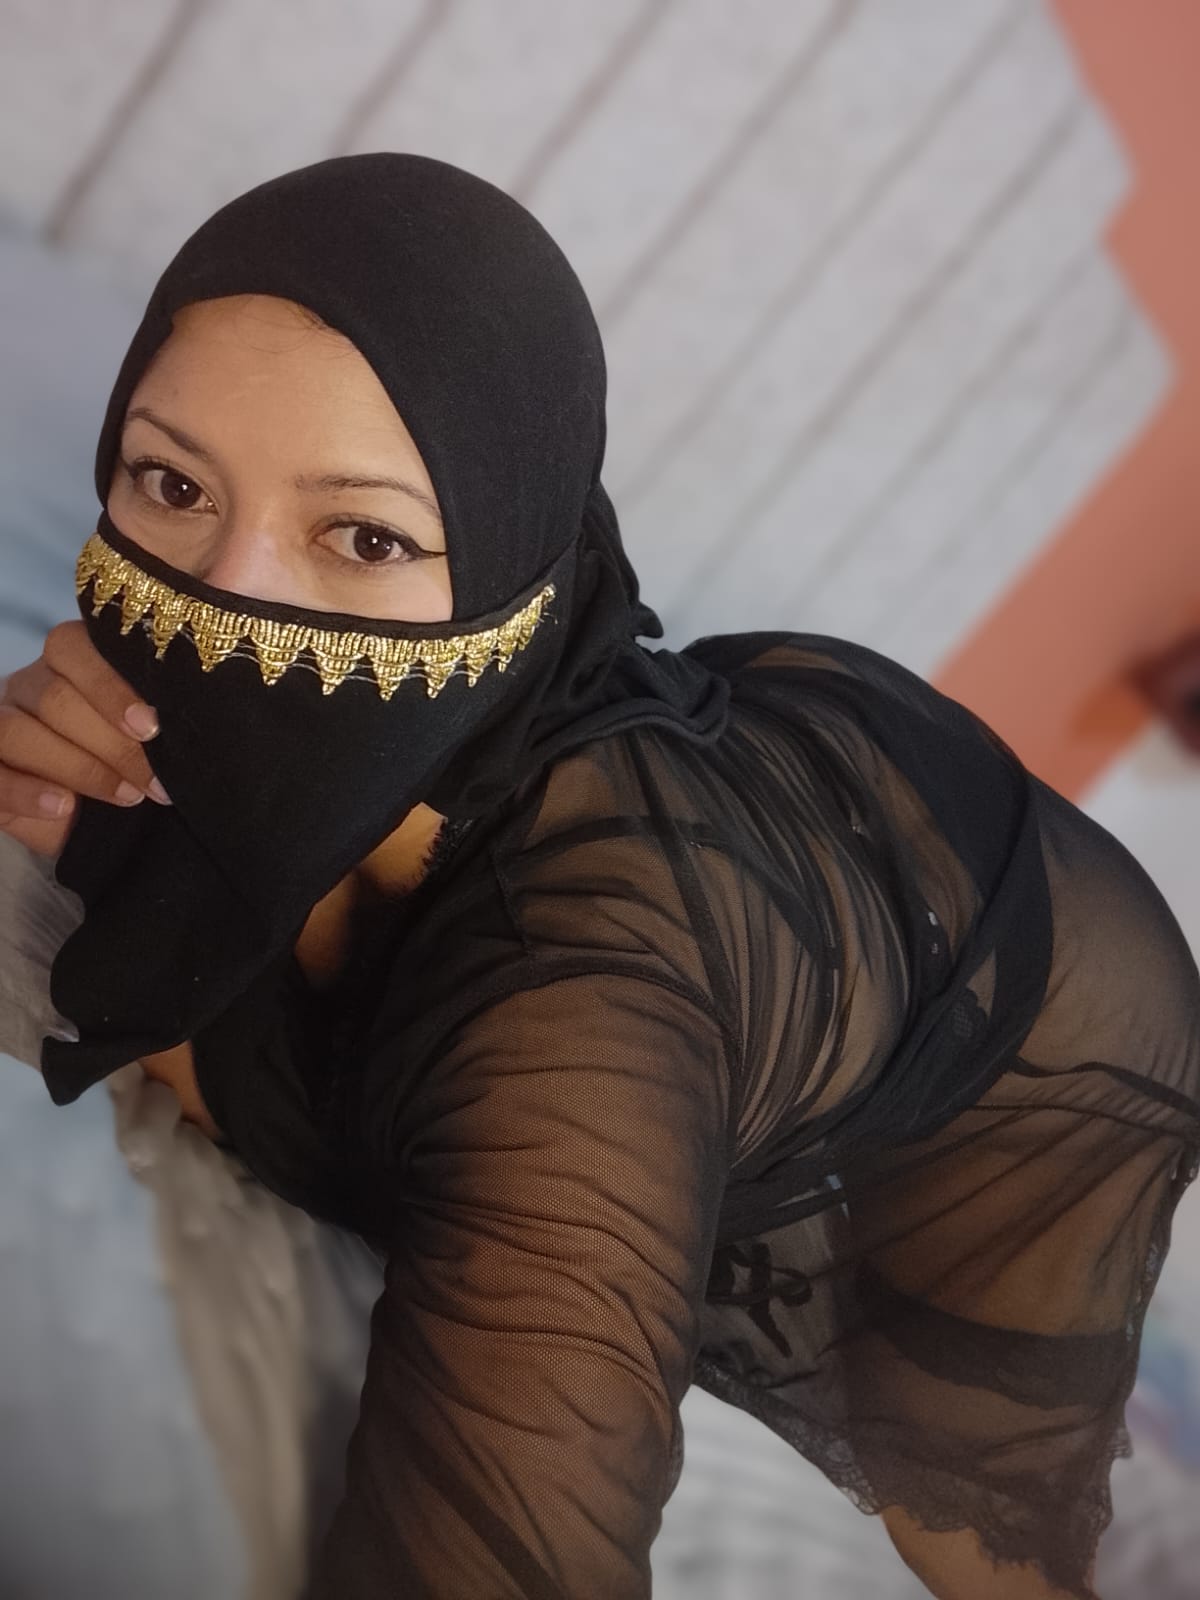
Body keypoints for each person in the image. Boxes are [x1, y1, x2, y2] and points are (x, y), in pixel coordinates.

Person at [1, 153, 1197, 1600]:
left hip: (1019, 1001)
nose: (226, 602)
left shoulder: (576, 1005)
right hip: (754, 818)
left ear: (523, 569)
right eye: (172, 482)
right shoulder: (191, 715)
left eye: (366, 536)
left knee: (965, 1522)